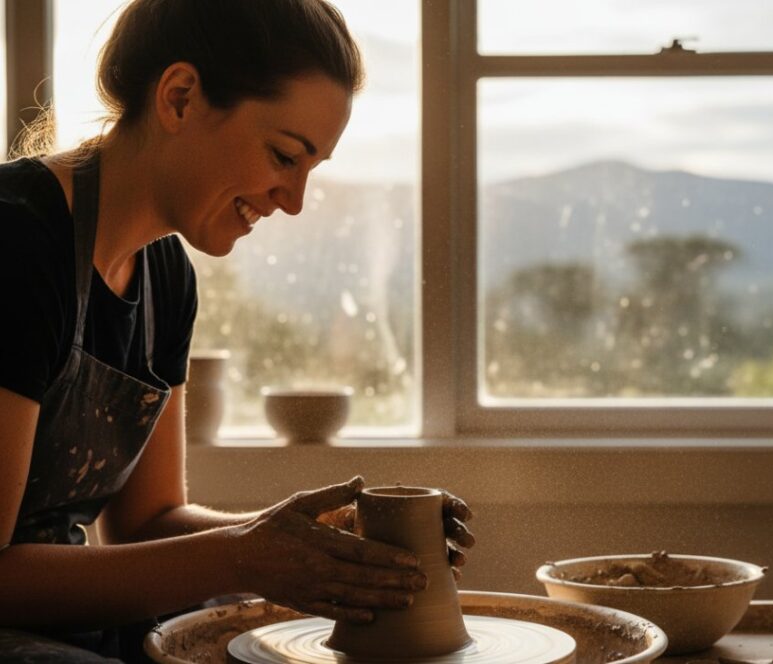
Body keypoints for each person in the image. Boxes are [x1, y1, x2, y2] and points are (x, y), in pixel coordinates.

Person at [0, 0, 474, 660]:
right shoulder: (18, 242)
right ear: (181, 97)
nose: (296, 200)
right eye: (285, 155)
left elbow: (147, 525)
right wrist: (240, 559)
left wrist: (319, 540)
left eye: (312, 169)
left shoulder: (165, 278)